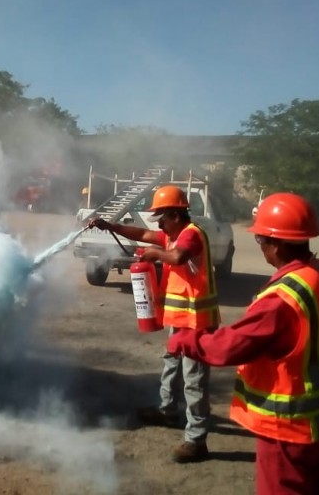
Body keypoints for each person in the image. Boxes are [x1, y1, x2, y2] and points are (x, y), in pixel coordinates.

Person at [166, 192, 319, 494]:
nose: (261, 249)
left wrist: (187, 340)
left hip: (289, 427)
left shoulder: (281, 299)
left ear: (277, 242)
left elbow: (231, 346)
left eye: (261, 241)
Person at [88, 184, 219, 463]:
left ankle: (196, 440)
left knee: (194, 380)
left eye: (161, 216)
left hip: (197, 323)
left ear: (174, 214)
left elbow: (178, 257)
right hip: (180, 320)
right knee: (170, 361)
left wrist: (153, 255)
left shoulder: (191, 236)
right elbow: (143, 234)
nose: (158, 222)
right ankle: (167, 409)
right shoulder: (173, 235)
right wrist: (109, 226)